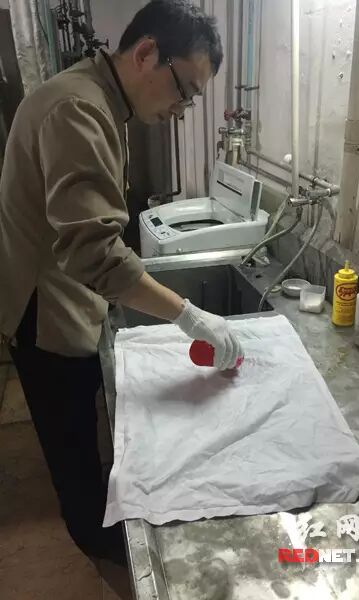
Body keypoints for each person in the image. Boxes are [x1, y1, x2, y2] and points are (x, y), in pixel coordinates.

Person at [0, 0, 243, 564]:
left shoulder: (100, 99)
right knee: (71, 441)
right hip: (43, 311)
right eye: (184, 90)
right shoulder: (78, 110)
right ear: (147, 52)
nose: (182, 109)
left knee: (82, 423)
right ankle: (98, 538)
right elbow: (95, 254)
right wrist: (188, 314)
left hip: (62, 294)